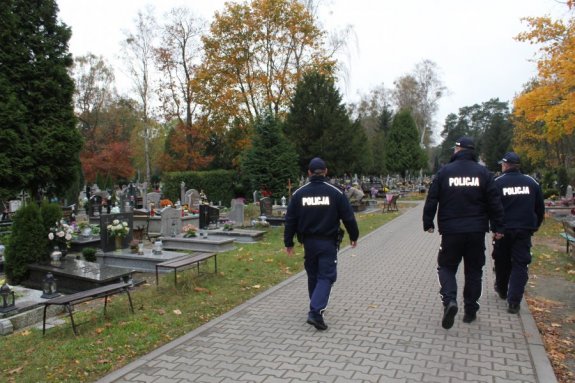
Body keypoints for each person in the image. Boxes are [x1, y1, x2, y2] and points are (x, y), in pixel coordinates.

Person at [423, 136, 505, 329]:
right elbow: (495, 202)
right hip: (476, 231)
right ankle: (470, 311)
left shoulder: (444, 172)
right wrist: (499, 227)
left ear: (459, 150)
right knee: (474, 270)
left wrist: (428, 222)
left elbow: (432, 198)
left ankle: (450, 301)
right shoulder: (483, 173)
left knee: (446, 267)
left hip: (451, 231)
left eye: (455, 148)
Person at [284, 157, 359, 331]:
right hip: (328, 242)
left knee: (313, 275)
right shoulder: (335, 192)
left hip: (309, 243)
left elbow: (290, 220)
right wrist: (353, 236)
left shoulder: (299, 194)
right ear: (326, 172)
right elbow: (348, 217)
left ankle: (315, 305)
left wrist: (289, 242)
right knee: (326, 276)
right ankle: (316, 312)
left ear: (309, 173)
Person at [492, 152, 545, 314]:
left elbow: (493, 208)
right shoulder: (531, 183)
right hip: (524, 230)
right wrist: (534, 226)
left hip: (504, 230)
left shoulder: (498, 183)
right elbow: (540, 207)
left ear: (506, 165)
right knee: (520, 264)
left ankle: (502, 289)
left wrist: (495, 228)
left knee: (502, 261)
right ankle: (514, 302)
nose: (501, 166)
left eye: (502, 164)